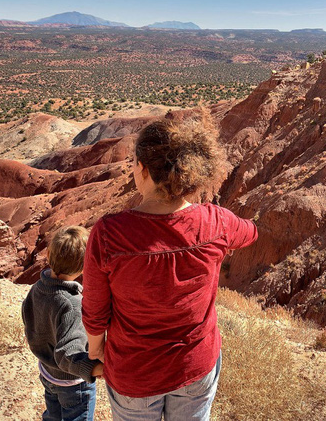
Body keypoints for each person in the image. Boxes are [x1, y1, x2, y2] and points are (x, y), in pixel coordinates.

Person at [82, 115, 258, 421]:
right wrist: (218, 240)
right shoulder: (216, 222)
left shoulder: (110, 234)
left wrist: (96, 349)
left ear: (144, 169)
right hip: (194, 365)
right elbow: (251, 232)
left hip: (134, 373)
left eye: (135, 162)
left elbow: (95, 312)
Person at [22, 226, 104, 421]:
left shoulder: (38, 287)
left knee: (53, 416)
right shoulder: (72, 304)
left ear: (49, 254)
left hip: (48, 374)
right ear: (85, 267)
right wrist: (97, 369)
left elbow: (29, 319)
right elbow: (67, 354)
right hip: (73, 384)